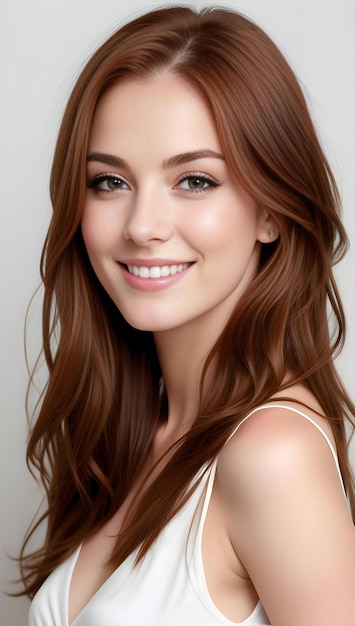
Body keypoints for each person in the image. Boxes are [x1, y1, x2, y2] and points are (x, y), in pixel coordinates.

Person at [18, 6, 355, 625]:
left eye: (195, 181)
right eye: (109, 182)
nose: (143, 226)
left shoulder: (270, 455)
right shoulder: (132, 435)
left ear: (273, 212)